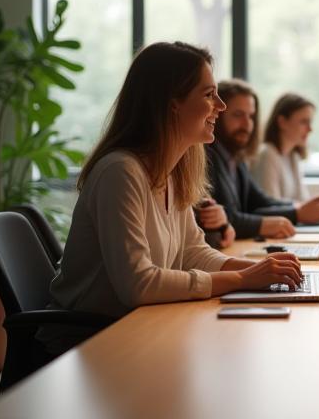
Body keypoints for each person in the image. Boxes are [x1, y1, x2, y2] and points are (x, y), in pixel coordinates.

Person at [46, 42, 302, 338]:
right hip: (90, 342)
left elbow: (194, 253)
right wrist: (242, 278)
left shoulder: (172, 172)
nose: (221, 105)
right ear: (171, 103)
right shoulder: (120, 172)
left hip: (138, 328)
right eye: (209, 95)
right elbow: (138, 285)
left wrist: (262, 271)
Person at [207, 79, 319, 244]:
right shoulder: (209, 157)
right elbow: (229, 217)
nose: (247, 124)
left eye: (251, 116)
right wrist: (298, 213)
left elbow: (259, 201)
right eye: (238, 115)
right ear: (216, 113)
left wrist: (300, 209)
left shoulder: (236, 157)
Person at [252, 93, 319, 205]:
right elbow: (272, 204)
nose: (310, 129)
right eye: (304, 122)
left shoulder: (293, 157)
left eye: (310, 122)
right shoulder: (267, 154)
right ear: (282, 122)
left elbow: (303, 200)